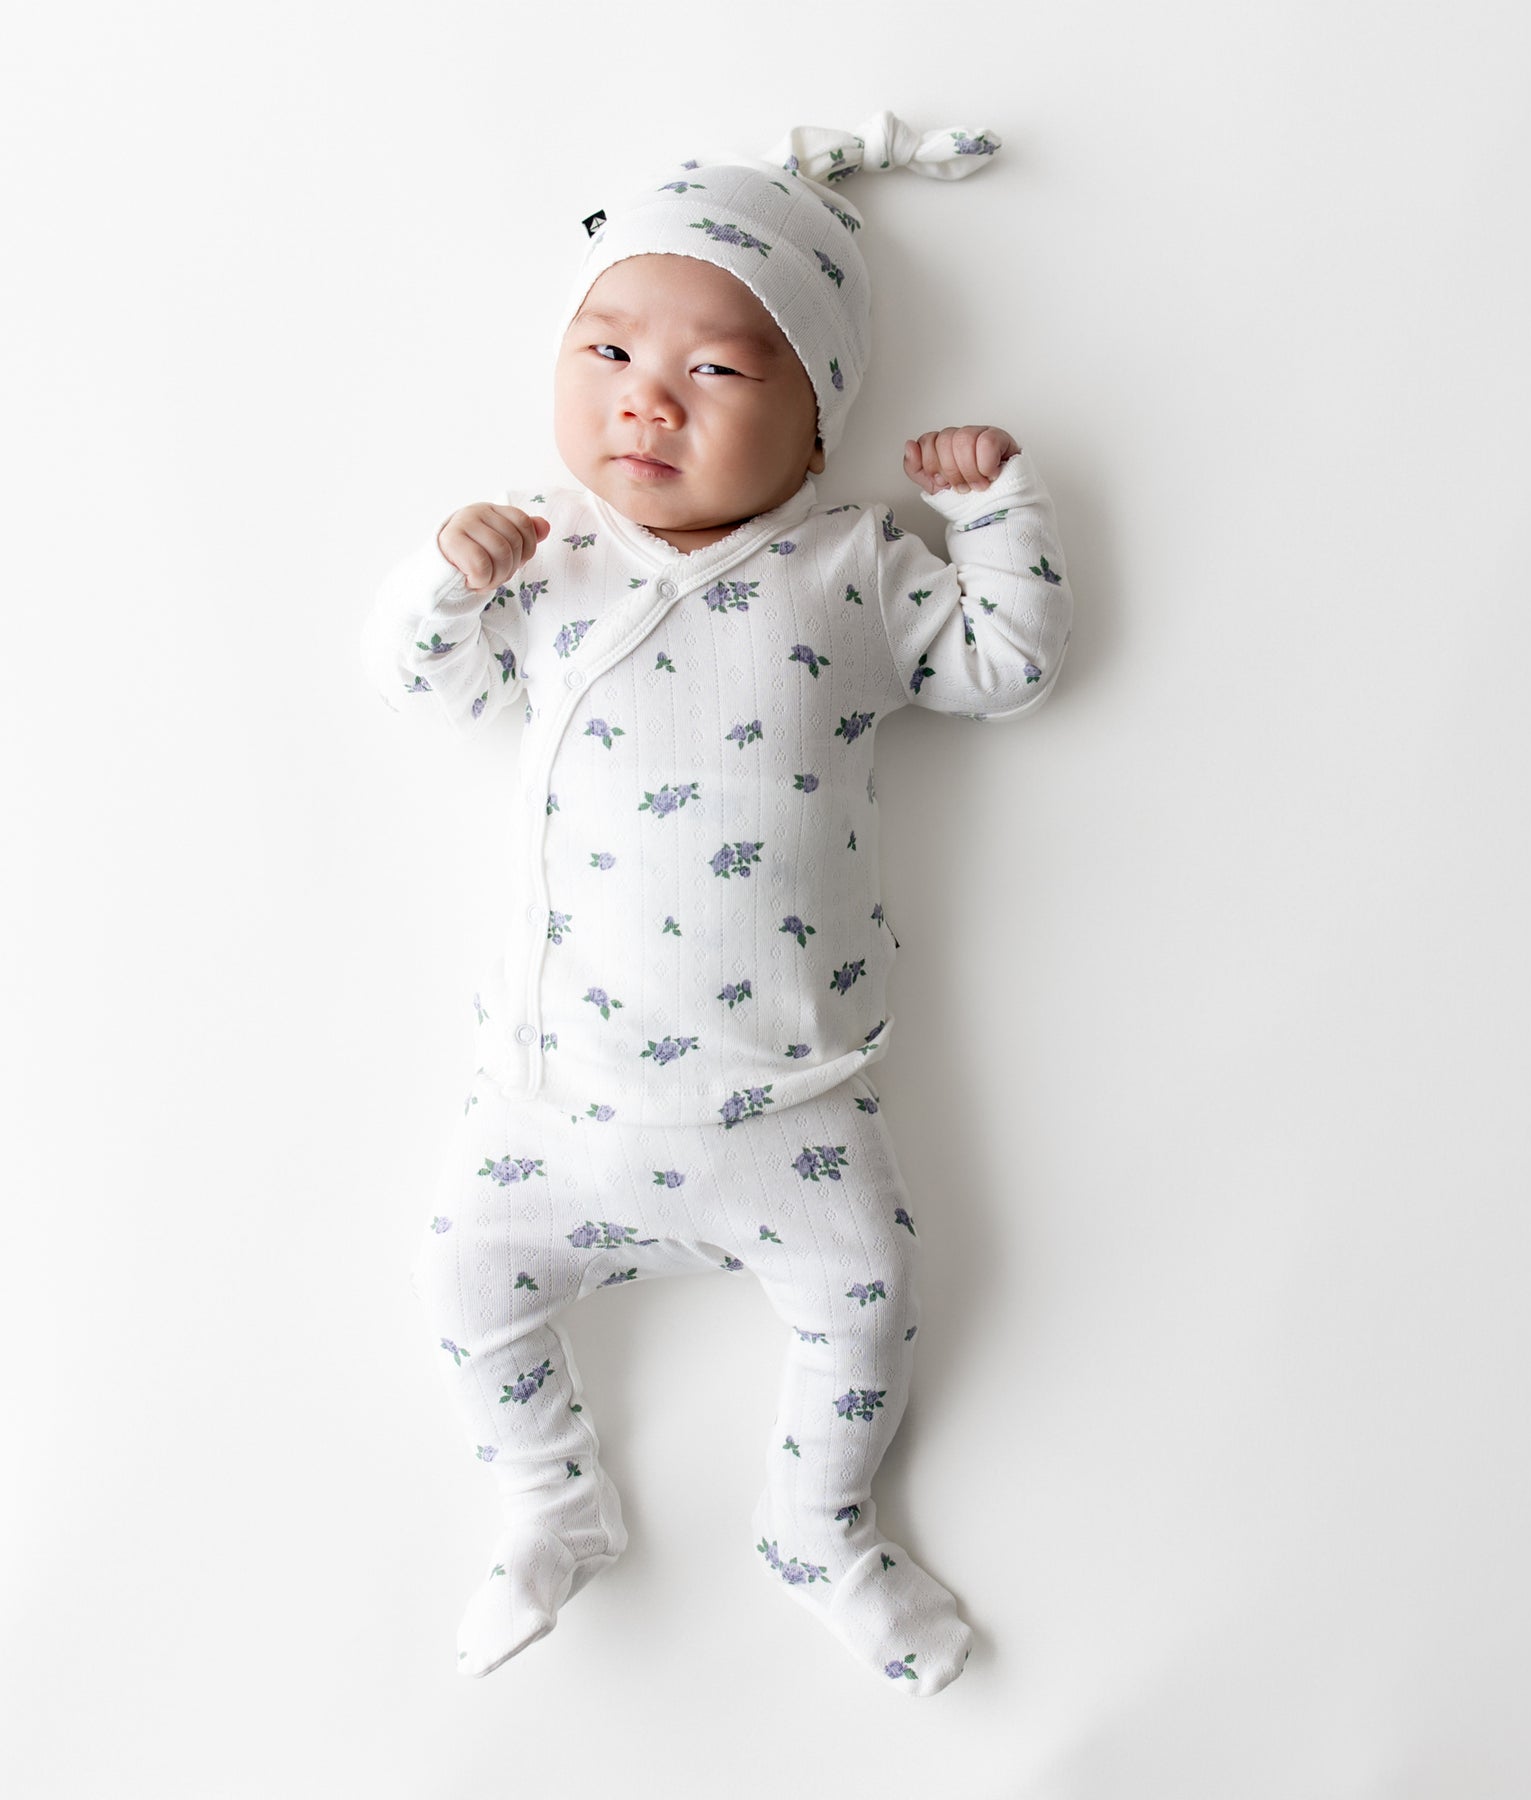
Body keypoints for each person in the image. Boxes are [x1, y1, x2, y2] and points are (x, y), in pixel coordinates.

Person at [359, 111, 1074, 1697]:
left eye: (718, 372)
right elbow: (433, 689)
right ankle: (549, 1497)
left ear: (818, 421)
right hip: (558, 1101)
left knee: (874, 1297)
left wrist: (997, 516)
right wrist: (443, 583)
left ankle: (820, 1523)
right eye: (607, 349)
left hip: (791, 1100)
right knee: (460, 1275)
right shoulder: (545, 567)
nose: (645, 401)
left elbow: (1008, 670)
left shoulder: (855, 571)